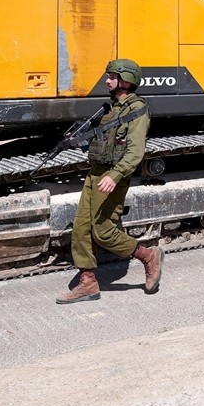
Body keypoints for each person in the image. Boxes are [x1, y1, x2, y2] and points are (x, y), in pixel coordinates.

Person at [56, 58, 163, 304]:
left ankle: (148, 255)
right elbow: (104, 142)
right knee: (81, 229)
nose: (107, 80)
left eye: (111, 76)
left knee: (103, 231)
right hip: (95, 173)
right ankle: (88, 283)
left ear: (126, 80)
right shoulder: (112, 108)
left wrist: (115, 176)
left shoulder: (137, 110)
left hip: (112, 176)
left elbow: (135, 152)